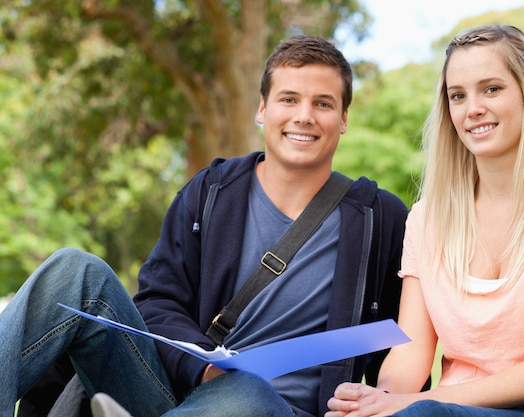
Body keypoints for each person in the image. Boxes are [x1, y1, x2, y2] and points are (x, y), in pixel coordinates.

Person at [0, 35, 412, 417]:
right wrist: (204, 367)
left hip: (279, 409)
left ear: (343, 118)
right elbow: (157, 303)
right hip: (179, 391)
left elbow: (402, 347)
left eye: (323, 103)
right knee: (73, 270)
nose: (304, 116)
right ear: (263, 109)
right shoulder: (212, 191)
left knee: (248, 393)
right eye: (289, 99)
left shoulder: (381, 218)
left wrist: (386, 401)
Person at [326, 24, 524, 417]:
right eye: (458, 96)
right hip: (443, 409)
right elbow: (412, 350)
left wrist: (415, 404)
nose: (473, 109)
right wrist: (378, 401)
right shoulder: (426, 218)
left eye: (492, 89)